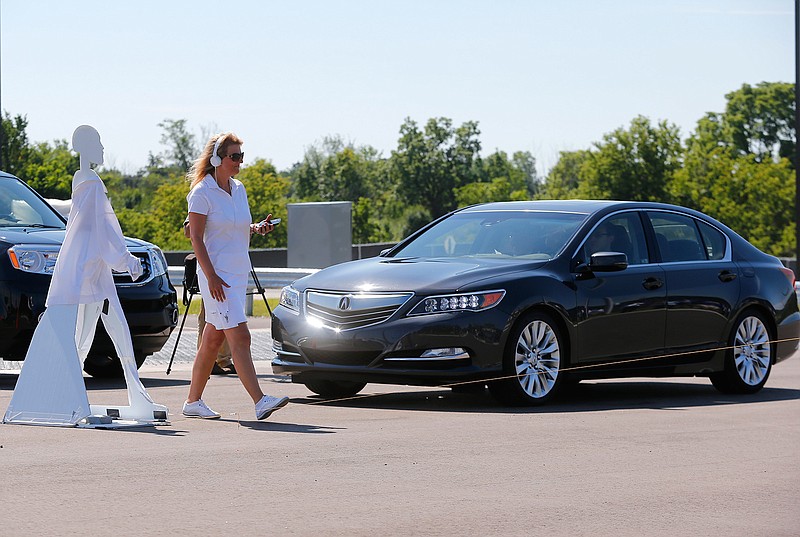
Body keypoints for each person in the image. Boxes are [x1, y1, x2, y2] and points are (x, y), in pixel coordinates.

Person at [183, 132, 288, 420]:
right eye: (234, 156)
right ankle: (259, 400)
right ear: (218, 159)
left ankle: (193, 402)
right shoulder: (202, 192)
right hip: (217, 279)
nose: (240, 161)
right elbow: (196, 238)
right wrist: (211, 276)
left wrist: (256, 228)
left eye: (241, 156)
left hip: (236, 274)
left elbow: (235, 226)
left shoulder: (238, 189)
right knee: (240, 337)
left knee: (213, 340)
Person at [183, 217, 235, 375]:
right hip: (211, 265)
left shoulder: (235, 194)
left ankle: (223, 358)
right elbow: (188, 231)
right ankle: (207, 359)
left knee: (232, 314)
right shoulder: (203, 194)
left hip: (232, 263)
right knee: (210, 315)